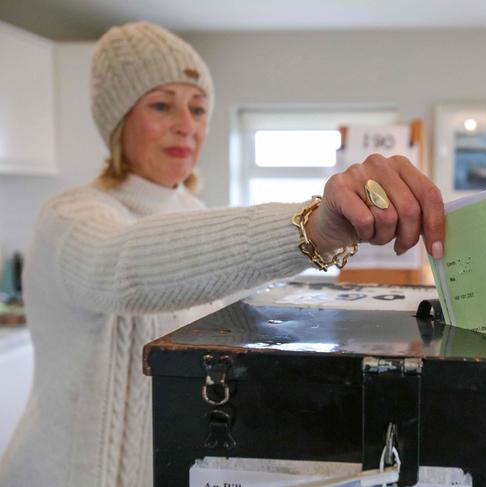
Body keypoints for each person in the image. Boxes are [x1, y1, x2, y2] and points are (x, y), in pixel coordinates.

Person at [0, 21, 444, 487]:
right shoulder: (69, 219)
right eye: (161, 105)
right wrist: (313, 225)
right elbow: (123, 265)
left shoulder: (199, 218)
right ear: (117, 119)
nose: (185, 125)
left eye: (198, 108)